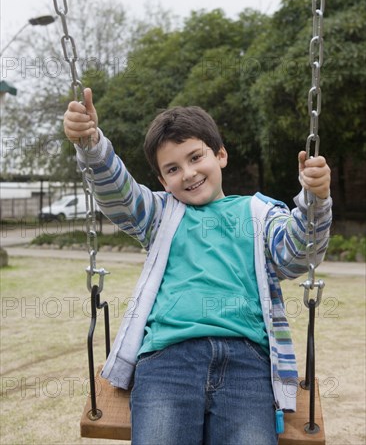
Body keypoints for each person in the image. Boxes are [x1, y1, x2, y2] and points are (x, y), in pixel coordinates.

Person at [64, 88, 332, 445]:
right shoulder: (161, 215)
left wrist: (316, 200)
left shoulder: (260, 214)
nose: (188, 174)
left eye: (195, 157)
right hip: (167, 360)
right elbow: (119, 193)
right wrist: (91, 145)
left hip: (247, 362)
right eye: (173, 169)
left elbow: (296, 256)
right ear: (162, 181)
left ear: (220, 155)